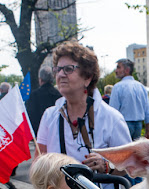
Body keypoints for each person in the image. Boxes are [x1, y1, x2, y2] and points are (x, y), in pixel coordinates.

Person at [36, 40, 131, 176]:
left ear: (87, 77)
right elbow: (38, 161)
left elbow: (128, 167)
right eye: (58, 69)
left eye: (68, 69)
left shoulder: (111, 118)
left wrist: (106, 166)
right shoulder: (49, 116)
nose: (61, 75)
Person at [109, 58, 149, 140]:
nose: (116, 70)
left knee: (123, 151)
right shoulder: (141, 87)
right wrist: (148, 131)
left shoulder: (118, 87)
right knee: (134, 152)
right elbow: (147, 111)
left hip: (123, 125)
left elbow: (113, 112)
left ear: (127, 70)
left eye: (118, 67)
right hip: (138, 126)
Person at [26, 66, 61, 134]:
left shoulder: (34, 95)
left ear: (40, 79)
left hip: (38, 132)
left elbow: (30, 115)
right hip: (55, 132)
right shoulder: (58, 95)